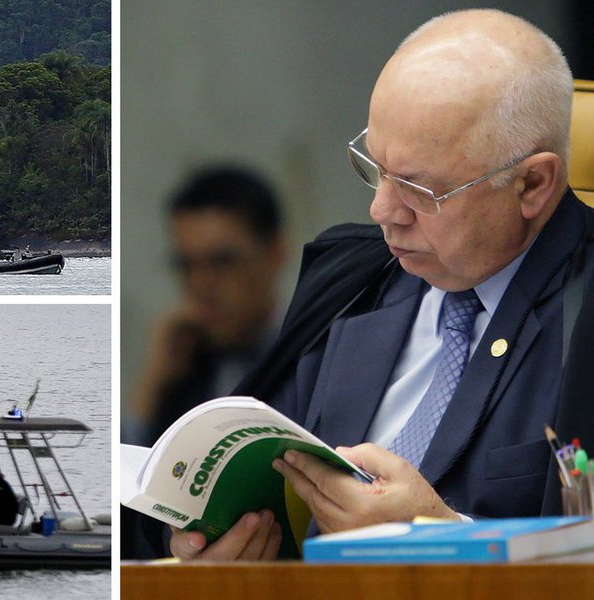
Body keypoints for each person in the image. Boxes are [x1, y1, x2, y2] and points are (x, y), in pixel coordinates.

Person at [170, 9, 594, 562]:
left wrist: (443, 537)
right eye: (375, 168)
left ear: (533, 184)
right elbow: (244, 481)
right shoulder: (351, 277)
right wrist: (208, 539)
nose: (382, 211)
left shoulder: (580, 318)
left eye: (420, 189)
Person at [127, 167, 286, 448]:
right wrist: (152, 386)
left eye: (222, 261)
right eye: (186, 266)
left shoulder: (318, 357)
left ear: (274, 252)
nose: (200, 284)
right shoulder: (184, 368)